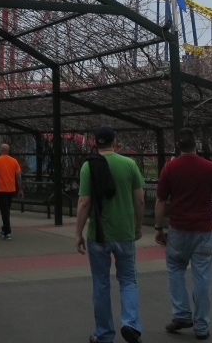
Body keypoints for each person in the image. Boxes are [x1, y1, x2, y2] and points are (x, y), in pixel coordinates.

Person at [154, 128, 212, 341]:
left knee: (175, 269)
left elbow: (161, 200)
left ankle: (181, 314)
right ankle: (202, 326)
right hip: (203, 229)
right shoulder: (209, 167)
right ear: (196, 144)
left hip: (178, 229)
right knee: (202, 276)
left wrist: (158, 228)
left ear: (178, 145)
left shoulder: (170, 168)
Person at [75, 126, 145, 343]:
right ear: (115, 142)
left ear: (95, 143)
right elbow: (140, 200)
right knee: (128, 279)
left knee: (101, 283)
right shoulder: (129, 164)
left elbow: (84, 202)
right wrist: (138, 226)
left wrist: (78, 232)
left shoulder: (88, 166)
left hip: (98, 234)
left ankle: (104, 334)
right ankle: (130, 323)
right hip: (124, 232)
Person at [0, 143, 24, 240]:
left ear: (1, 150)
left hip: (1, 189)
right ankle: (4, 228)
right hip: (11, 189)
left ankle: (7, 231)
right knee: (7, 209)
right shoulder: (14, 161)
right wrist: (20, 190)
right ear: (8, 151)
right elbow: (18, 176)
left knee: (4, 210)